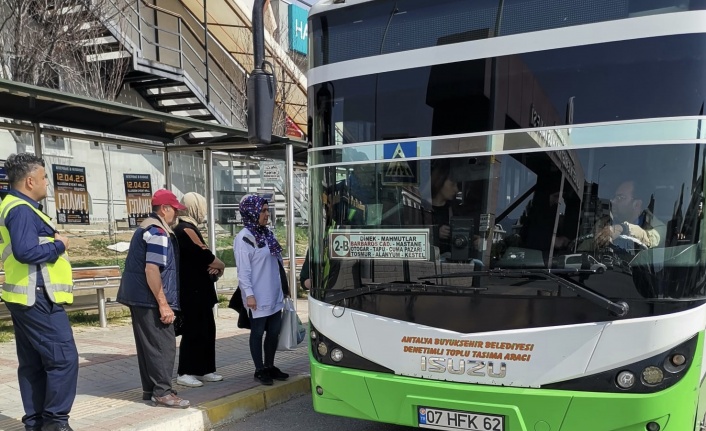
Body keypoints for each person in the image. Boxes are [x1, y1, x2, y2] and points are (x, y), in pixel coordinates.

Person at [0, 153, 77, 431]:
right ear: (30, 181)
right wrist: (60, 245)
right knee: (63, 359)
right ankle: (55, 423)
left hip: (26, 297)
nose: (47, 183)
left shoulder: (15, 206)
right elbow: (25, 252)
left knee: (33, 363)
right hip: (38, 297)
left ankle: (37, 423)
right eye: (44, 177)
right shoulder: (21, 209)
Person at [117, 189, 190, 408]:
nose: (176, 215)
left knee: (148, 346)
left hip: (139, 296)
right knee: (163, 346)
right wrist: (163, 303)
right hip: (149, 298)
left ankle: (151, 390)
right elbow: (152, 270)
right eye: (175, 210)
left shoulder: (147, 227)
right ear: (164, 209)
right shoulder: (157, 232)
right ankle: (163, 392)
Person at [233, 195, 289, 386]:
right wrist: (248, 294)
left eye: (267, 210)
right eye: (263, 210)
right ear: (252, 212)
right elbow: (243, 271)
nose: (267, 214)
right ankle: (259, 369)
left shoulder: (266, 234)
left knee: (273, 332)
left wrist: (284, 287)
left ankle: (270, 365)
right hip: (257, 296)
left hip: (274, 293)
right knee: (257, 333)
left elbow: (278, 263)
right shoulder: (244, 238)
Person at [173, 192, 225, 388]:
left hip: (199, 291)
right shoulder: (185, 229)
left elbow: (204, 258)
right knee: (194, 331)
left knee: (206, 329)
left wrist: (215, 266)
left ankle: (205, 369)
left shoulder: (190, 227)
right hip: (192, 292)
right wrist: (221, 265)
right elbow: (206, 255)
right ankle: (185, 371)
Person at [595, 180, 664, 250]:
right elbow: (588, 246)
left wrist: (623, 228)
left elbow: (651, 239)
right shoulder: (604, 223)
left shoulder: (658, 227)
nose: (613, 201)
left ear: (637, 204)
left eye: (620, 198)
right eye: (614, 197)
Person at [430, 160, 460, 256]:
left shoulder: (455, 211)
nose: (456, 190)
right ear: (440, 181)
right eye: (452, 184)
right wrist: (435, 233)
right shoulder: (421, 207)